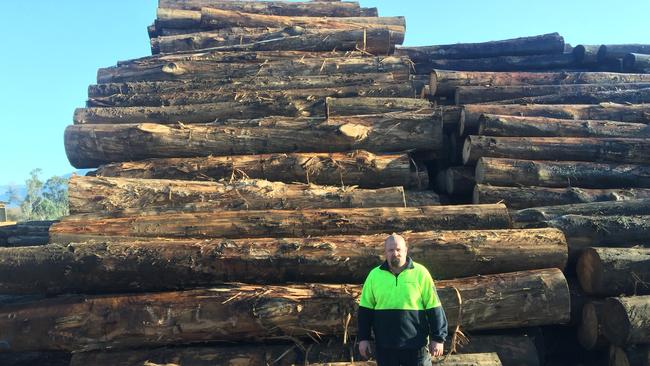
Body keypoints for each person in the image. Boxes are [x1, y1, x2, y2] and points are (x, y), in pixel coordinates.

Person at [357, 233, 448, 366]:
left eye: (398, 249)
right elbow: (365, 311)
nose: (395, 253)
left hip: (416, 347)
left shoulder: (421, 273)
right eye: (391, 250)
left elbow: (434, 306)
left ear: (406, 250)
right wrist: (364, 338)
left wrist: (438, 338)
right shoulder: (374, 276)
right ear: (385, 253)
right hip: (385, 347)